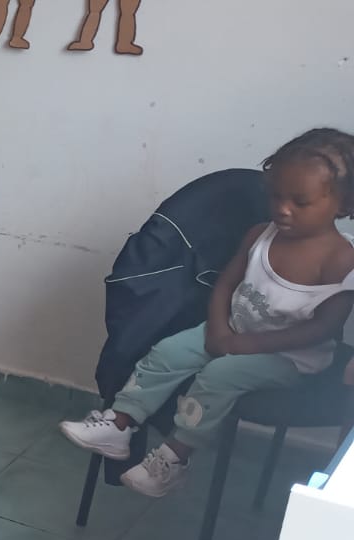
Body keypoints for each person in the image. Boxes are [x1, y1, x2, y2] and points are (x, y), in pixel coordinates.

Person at [61, 128, 354, 496]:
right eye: (276, 195)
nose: (283, 208)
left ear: (343, 204)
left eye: (300, 201)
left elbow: (322, 328)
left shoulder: (341, 259)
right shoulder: (260, 235)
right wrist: (218, 329)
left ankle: (174, 458)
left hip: (291, 358)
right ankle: (120, 425)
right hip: (231, 331)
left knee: (220, 375)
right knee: (168, 351)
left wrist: (245, 346)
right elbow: (226, 285)